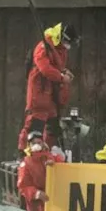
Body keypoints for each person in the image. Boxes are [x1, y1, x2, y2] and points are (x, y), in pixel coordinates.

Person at [17, 23, 80, 153]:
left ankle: (48, 152)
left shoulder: (60, 50)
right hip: (39, 91)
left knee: (53, 127)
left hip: (51, 93)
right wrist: (61, 77)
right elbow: (45, 68)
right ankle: (24, 153)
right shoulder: (43, 47)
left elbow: (56, 66)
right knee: (34, 124)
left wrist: (64, 72)